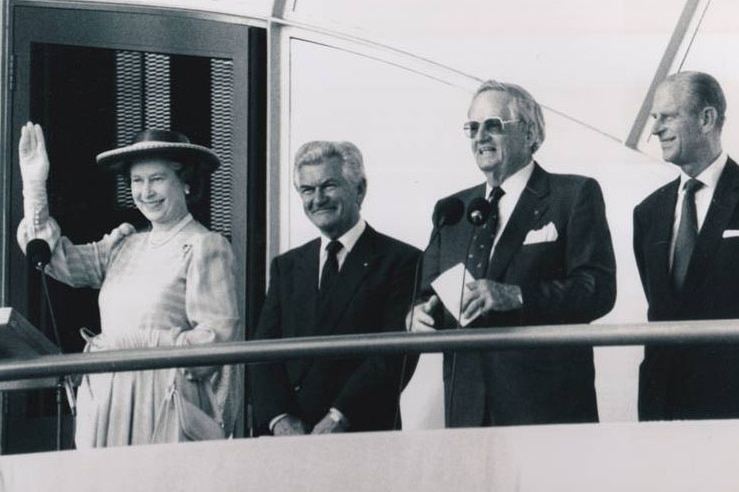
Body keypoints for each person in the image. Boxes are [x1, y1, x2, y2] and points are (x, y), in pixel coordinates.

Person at [16, 122, 242, 447]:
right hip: (108, 398)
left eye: (157, 179)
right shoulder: (124, 244)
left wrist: (143, 346)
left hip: (165, 398)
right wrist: (35, 185)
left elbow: (216, 339)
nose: (146, 192)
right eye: (137, 181)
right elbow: (58, 261)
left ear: (187, 183)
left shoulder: (205, 245)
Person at [409, 80, 616, 427]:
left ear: (530, 132)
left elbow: (598, 288)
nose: (480, 137)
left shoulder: (574, 194)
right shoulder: (453, 209)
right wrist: (417, 315)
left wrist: (517, 295)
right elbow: (425, 293)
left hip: (546, 408)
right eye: (473, 128)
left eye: (494, 125)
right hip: (467, 408)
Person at [250, 140, 420, 436]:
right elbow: (264, 351)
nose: (318, 199)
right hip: (289, 439)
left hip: (361, 432)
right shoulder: (286, 266)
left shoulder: (402, 261)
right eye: (307, 189)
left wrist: (339, 416)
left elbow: (392, 355)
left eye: (329, 186)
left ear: (359, 189)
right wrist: (280, 419)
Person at [634, 71, 739, 420]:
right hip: (663, 403)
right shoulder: (647, 213)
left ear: (706, 119)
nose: (655, 129)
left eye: (668, 116)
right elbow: (660, 304)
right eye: (654, 118)